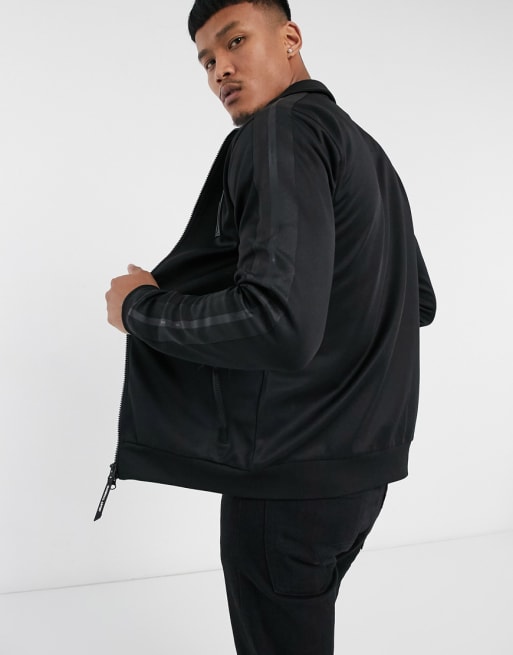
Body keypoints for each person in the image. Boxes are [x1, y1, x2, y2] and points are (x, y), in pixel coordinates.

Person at [100, 1, 437, 653]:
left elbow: (275, 321)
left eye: (235, 42)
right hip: (363, 474)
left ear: (289, 38)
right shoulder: (366, 152)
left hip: (289, 485)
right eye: (206, 60)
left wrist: (139, 308)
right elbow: (416, 301)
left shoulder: (278, 132)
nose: (220, 70)